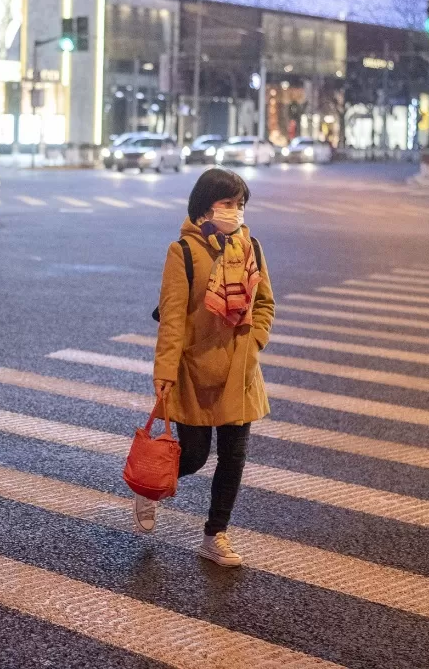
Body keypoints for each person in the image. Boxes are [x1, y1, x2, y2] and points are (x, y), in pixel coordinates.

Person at [140, 168, 275, 567]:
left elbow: (264, 302)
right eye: (228, 204)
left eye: (240, 204)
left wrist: (255, 341)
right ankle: (148, 488)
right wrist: (164, 374)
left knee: (233, 458)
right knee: (195, 456)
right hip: (196, 369)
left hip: (240, 369)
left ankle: (215, 535)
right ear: (204, 207)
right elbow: (173, 318)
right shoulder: (182, 252)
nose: (236, 212)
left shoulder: (251, 248)